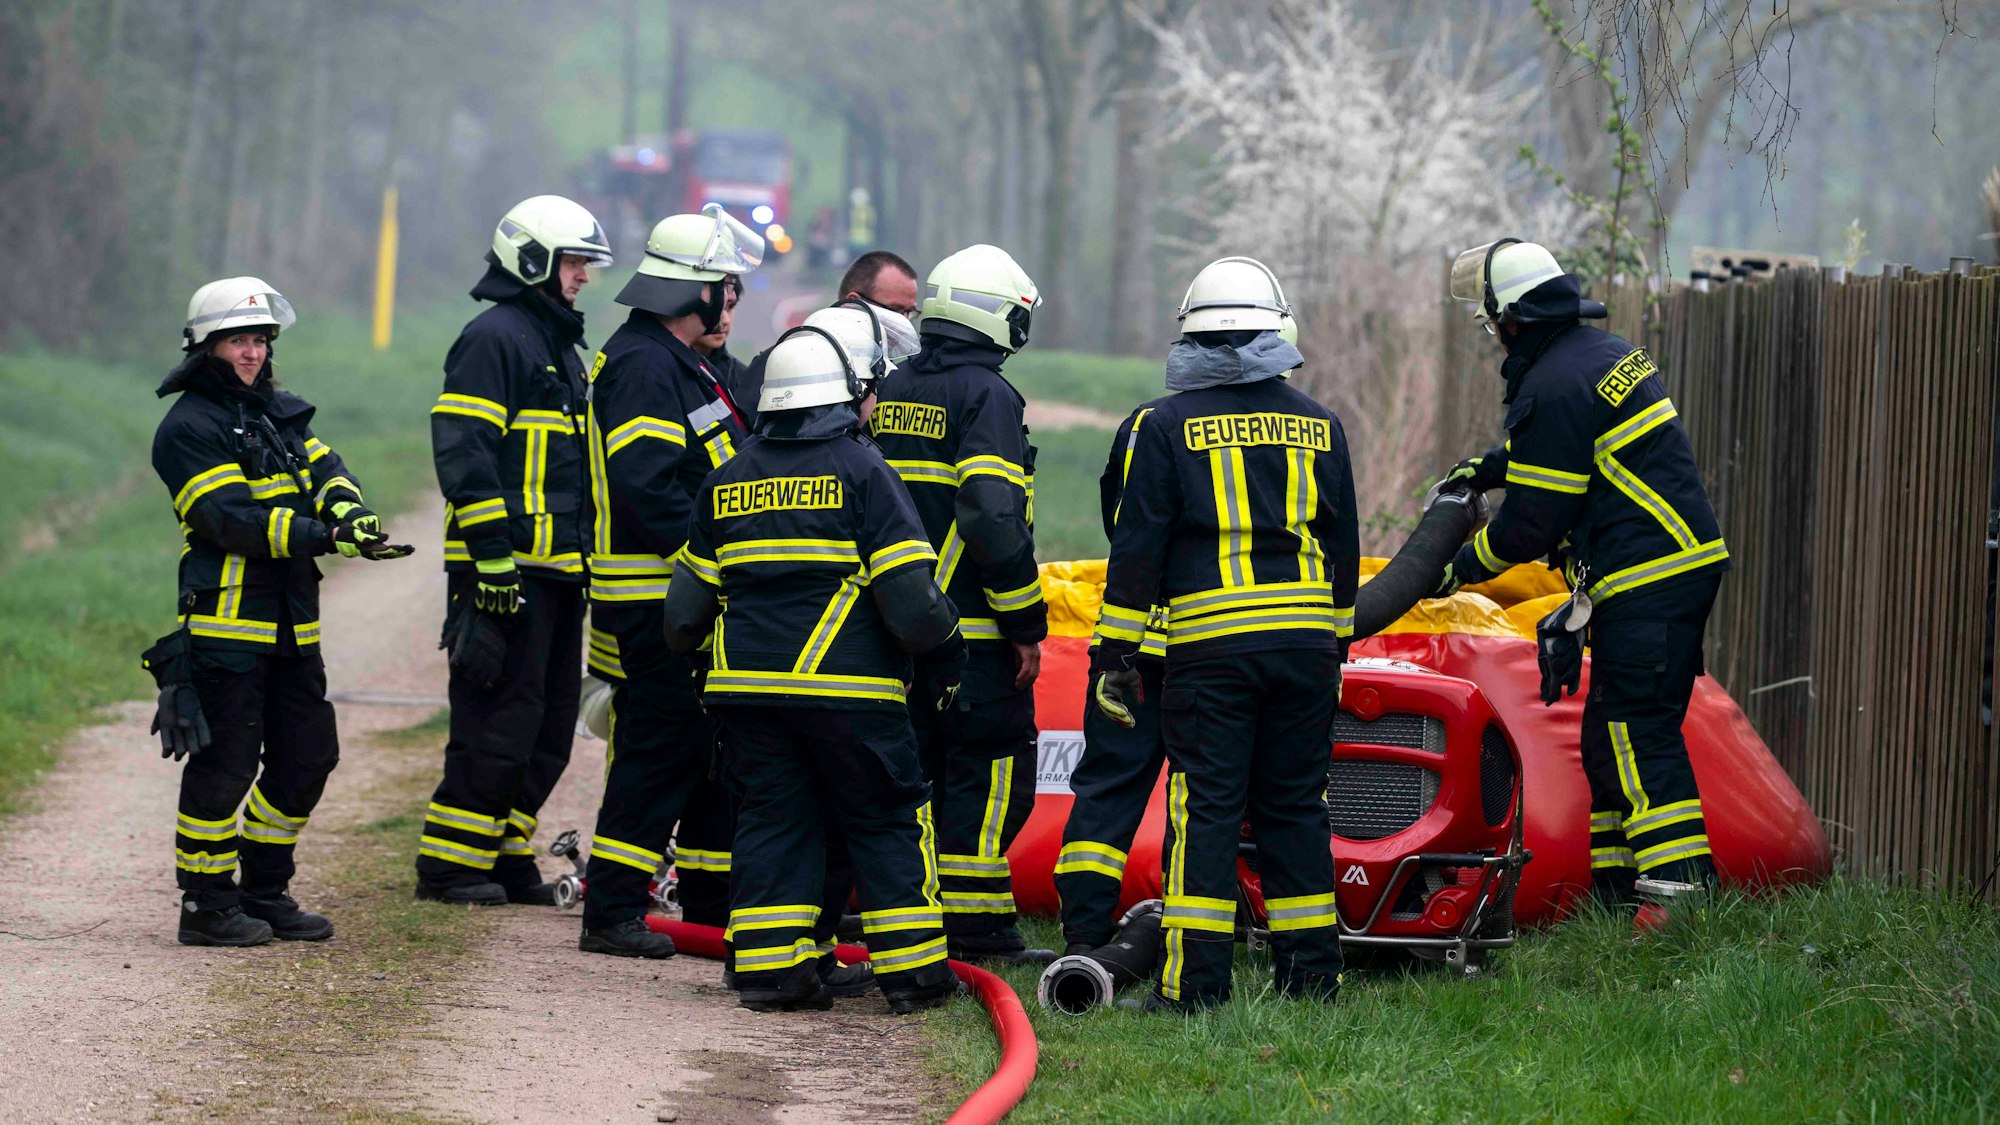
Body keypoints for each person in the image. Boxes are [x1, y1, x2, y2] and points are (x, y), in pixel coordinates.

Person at [659, 320, 964, 1015]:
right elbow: (914, 604)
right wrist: (949, 655)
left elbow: (681, 621)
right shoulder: (865, 472)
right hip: (851, 690)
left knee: (773, 820)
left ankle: (771, 973)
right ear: (849, 394)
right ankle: (915, 975)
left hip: (747, 696)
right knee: (887, 818)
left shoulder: (726, 478)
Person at [1434, 239, 1728, 926]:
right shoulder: (1596, 356)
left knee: (1636, 733)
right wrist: (1492, 465)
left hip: (1649, 578)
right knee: (1606, 735)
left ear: (1510, 318)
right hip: (1669, 568)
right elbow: (1560, 449)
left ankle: (1681, 903)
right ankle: (1612, 895)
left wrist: (1458, 567)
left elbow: (1532, 524)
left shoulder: (1553, 383)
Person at [1091, 256, 1356, 1012]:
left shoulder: (1160, 426)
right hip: (1306, 651)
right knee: (1296, 808)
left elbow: (1136, 547)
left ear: (1192, 339)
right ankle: (1312, 982)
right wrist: (1334, 649)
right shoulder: (1322, 423)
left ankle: (1192, 989)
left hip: (1212, 656)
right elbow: (1343, 547)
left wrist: (1117, 654)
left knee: (1205, 809)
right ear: (1276, 332)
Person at [148, 277, 414, 946]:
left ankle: (264, 890)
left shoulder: (277, 412)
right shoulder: (187, 428)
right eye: (239, 339)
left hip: (294, 626)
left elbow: (328, 469)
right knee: (226, 768)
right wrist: (324, 535)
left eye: (261, 339)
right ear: (206, 344)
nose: (253, 352)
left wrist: (352, 512)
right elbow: (232, 519)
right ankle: (206, 906)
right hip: (228, 628)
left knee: (307, 756)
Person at [576, 205, 762, 958]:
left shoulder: (680, 360)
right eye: (728, 285)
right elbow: (650, 491)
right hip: (656, 596)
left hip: (683, 594)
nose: (734, 299)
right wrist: (724, 555)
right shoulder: (646, 366)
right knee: (658, 750)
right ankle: (612, 910)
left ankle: (711, 906)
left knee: (703, 750)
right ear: (698, 291)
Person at [415, 195, 611, 907]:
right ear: (532, 259)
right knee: (496, 716)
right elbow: (464, 449)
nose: (583, 276)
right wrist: (491, 552)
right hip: (503, 569)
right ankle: (447, 865)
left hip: (557, 571)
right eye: (573, 262)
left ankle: (501, 850)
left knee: (550, 723)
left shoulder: (557, 343)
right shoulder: (494, 336)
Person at [870, 244, 1051, 965]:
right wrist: (1026, 623)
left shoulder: (898, 384)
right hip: (975, 635)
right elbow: (991, 515)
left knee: (917, 772)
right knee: (992, 770)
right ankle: (977, 930)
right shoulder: (989, 396)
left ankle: (913, 919)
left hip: (895, 632)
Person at [1053, 398, 1173, 956]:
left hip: (1130, 641)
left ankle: (1083, 931)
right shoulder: (1295, 428)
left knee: (1107, 787)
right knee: (1208, 796)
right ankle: (1192, 933)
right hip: (1213, 648)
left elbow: (1120, 522)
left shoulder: (1145, 422)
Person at [730, 249, 919, 426]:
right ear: (854, 303)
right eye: (895, 310)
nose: (904, 324)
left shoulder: (897, 378)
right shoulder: (780, 365)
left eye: (910, 313)